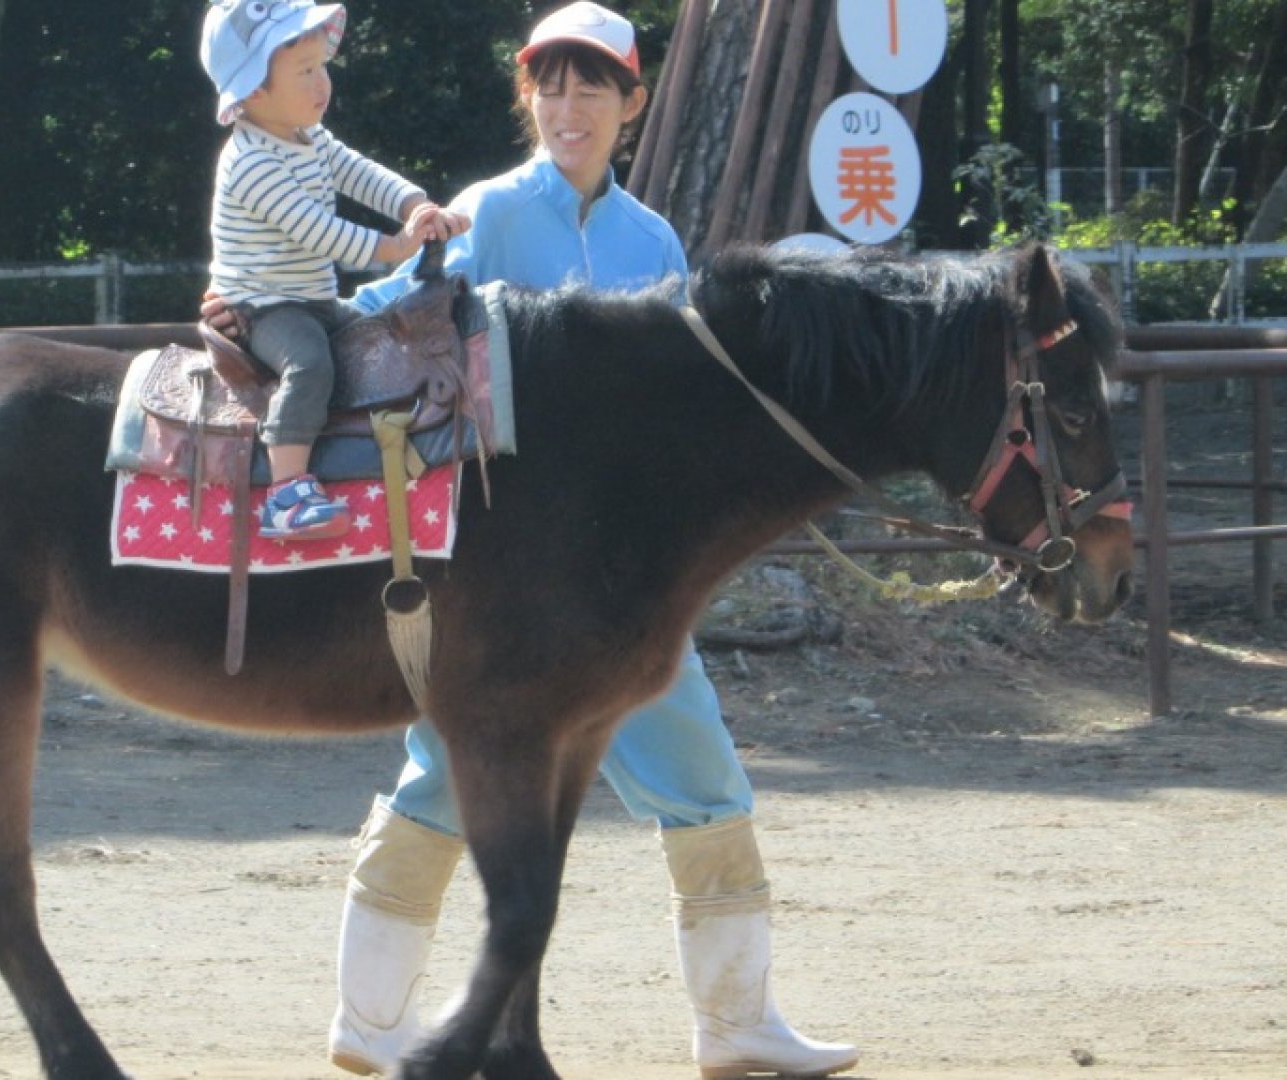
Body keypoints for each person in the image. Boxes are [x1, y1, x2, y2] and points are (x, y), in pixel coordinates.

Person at [320, 5, 863, 1078]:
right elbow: (382, 314)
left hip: (629, 588)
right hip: (497, 589)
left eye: (592, 89)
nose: (569, 110)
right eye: (551, 89)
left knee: (704, 771)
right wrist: (282, 316)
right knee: (439, 770)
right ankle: (367, 1025)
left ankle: (737, 1025)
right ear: (528, 99)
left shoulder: (652, 242)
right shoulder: (482, 214)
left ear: (633, 102)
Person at [199, 0, 469, 540]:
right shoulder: (250, 162)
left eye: (323, 65)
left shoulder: (309, 137)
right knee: (309, 364)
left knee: (381, 337)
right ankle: (286, 490)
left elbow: (360, 174)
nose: (322, 82)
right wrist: (396, 247)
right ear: (254, 90)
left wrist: (414, 204)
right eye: (304, 71)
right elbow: (319, 230)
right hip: (263, 305)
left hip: (312, 297)